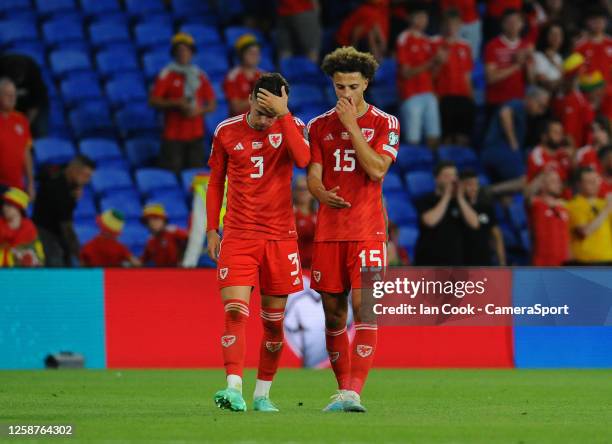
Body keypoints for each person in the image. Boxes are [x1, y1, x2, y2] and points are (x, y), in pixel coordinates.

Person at [206, 73, 310, 412]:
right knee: (235, 311)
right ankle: (233, 387)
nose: (266, 120)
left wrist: (284, 114)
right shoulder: (226, 130)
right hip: (238, 235)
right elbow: (215, 183)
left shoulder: (291, 125)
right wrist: (211, 229)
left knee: (273, 323)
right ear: (250, 99)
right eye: (262, 110)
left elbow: (304, 160)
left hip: (280, 238)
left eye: (272, 112)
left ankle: (262, 395)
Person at [307, 47, 400, 412]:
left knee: (366, 308)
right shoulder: (317, 126)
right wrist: (318, 192)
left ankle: (354, 392)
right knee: (333, 315)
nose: (345, 94)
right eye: (339, 86)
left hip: (368, 231)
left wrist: (351, 126)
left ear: (366, 84)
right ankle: (342, 389)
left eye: (352, 87)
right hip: (330, 232)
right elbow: (313, 177)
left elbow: (377, 170)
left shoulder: (385, 122)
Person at [149, 33, 216, 173]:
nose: (183, 54)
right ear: (174, 53)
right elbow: (153, 101)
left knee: (197, 175)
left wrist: (199, 111)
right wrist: (176, 103)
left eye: (186, 50)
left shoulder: (200, 75)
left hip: (196, 135)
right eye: (179, 50)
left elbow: (212, 104)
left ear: (192, 53)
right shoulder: (166, 74)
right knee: (172, 173)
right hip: (173, 136)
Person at [32, 155, 95, 267]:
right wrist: (78, 253)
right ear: (75, 171)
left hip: (54, 229)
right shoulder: (60, 191)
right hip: (44, 230)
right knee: (57, 263)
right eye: (86, 176)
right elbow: (66, 226)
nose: (87, 181)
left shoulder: (62, 171)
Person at [414, 161, 479, 265]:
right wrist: (447, 196)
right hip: (428, 262)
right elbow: (430, 221)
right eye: (447, 176)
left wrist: (460, 198)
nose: (452, 179)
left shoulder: (461, 201)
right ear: (437, 179)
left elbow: (475, 223)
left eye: (454, 175)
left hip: (455, 262)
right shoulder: (425, 200)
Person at [482, 86, 550, 185]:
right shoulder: (519, 105)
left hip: (506, 153)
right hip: (498, 150)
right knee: (526, 181)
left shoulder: (526, 115)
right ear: (530, 99)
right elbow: (505, 113)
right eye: (540, 106)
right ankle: (491, 191)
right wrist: (513, 142)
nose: (541, 111)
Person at [396, 4, 441, 148]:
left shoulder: (427, 41)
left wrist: (438, 63)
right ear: (411, 19)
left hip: (428, 92)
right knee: (413, 140)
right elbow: (406, 73)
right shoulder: (404, 39)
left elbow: (432, 73)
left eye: (425, 17)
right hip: (411, 94)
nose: (423, 20)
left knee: (434, 136)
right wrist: (431, 63)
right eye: (419, 17)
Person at [432, 9, 475, 146]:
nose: (451, 28)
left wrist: (471, 97)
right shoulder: (434, 43)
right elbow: (430, 75)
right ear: (442, 25)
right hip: (443, 96)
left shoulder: (465, 46)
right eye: (448, 24)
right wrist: (439, 62)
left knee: (463, 137)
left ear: (460, 25)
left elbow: (467, 75)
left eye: (455, 24)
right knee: (447, 138)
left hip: (463, 96)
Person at [484, 8, 534, 121]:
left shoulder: (526, 46)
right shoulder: (492, 46)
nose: (513, 25)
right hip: (496, 102)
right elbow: (490, 78)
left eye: (517, 22)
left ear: (522, 25)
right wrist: (516, 65)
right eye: (509, 22)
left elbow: (530, 80)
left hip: (519, 102)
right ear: (503, 25)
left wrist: (528, 62)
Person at [566, 167, 612, 264]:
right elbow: (585, 232)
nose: (595, 184)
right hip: (587, 261)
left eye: (596, 181)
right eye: (590, 182)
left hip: (608, 259)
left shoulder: (603, 203)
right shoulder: (575, 205)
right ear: (579, 185)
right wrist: (607, 209)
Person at [525, 169, 570, 266]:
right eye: (553, 181)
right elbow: (527, 194)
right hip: (543, 263)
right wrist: (542, 175)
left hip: (563, 263)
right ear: (542, 184)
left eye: (559, 181)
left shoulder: (563, 207)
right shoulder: (537, 204)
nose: (558, 184)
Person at [460, 170, 506, 265]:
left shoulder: (486, 208)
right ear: (461, 186)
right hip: (461, 263)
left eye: (476, 184)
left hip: (484, 261)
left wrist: (502, 262)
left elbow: (497, 235)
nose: (474, 188)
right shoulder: (454, 207)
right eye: (469, 185)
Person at [0, 78, 34, 198]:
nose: (12, 98)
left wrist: (30, 182)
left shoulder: (21, 120)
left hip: (17, 185)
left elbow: (26, 152)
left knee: (17, 216)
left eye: (14, 95)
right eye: (7, 94)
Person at [0, 54, 48, 138]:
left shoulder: (33, 72)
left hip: (32, 105)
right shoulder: (1, 68)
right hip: (6, 104)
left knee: (40, 131)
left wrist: (24, 126)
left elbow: (36, 104)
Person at [552, 53, 593, 148]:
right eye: (583, 69)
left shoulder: (581, 97)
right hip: (577, 152)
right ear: (577, 73)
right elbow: (568, 135)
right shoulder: (572, 100)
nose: (586, 71)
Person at [0, 187, 44, 267]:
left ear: (19, 208)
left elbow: (38, 255)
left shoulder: (29, 229)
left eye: (9, 205)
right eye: (4, 204)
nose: (5, 208)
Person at [224, 34, 263, 117]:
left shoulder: (263, 75)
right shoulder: (232, 77)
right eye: (250, 53)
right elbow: (236, 108)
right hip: (239, 126)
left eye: (257, 53)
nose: (254, 56)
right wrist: (259, 97)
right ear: (241, 55)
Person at [526, 119, 572, 183]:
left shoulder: (563, 154)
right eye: (555, 132)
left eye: (561, 133)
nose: (559, 136)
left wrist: (573, 158)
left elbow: (570, 179)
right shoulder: (536, 155)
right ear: (545, 136)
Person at [574, 7, 612, 84]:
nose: (598, 22)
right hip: (589, 89)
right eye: (594, 19)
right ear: (587, 22)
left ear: (606, 22)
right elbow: (576, 71)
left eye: (601, 19)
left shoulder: (610, 43)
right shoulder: (580, 46)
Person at [533, 22, 564, 92]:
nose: (556, 37)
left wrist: (553, 60)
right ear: (546, 36)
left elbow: (565, 75)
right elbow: (542, 80)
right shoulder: (538, 56)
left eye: (559, 34)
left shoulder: (559, 57)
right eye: (552, 34)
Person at [293, 175, 316, 269]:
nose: (302, 192)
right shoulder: (290, 215)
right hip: (297, 268)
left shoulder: (318, 215)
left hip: (314, 268)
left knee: (365, 282)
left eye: (305, 189)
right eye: (299, 189)